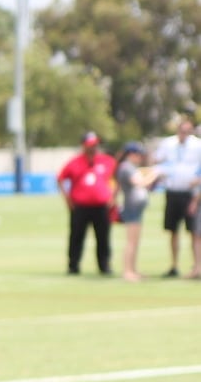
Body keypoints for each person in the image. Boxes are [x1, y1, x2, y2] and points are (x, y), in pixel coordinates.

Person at [56, 132, 118, 276]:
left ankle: (104, 265)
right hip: (80, 206)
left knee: (103, 237)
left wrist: (113, 196)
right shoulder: (74, 162)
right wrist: (67, 198)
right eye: (90, 145)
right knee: (76, 236)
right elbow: (60, 178)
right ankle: (73, 265)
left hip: (102, 206)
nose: (93, 148)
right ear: (83, 146)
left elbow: (116, 178)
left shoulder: (107, 161)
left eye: (95, 145)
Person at [151, 113, 201, 277]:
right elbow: (157, 160)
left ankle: (197, 266)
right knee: (173, 230)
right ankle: (174, 265)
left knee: (194, 231)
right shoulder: (168, 144)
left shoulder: (197, 146)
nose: (184, 134)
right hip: (173, 191)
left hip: (190, 193)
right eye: (182, 130)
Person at [115, 142, 159, 281]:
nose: (140, 157)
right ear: (131, 154)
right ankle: (127, 271)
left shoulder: (131, 167)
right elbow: (139, 183)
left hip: (136, 208)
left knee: (135, 241)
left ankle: (133, 269)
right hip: (131, 207)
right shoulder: (126, 167)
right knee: (131, 242)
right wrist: (155, 174)